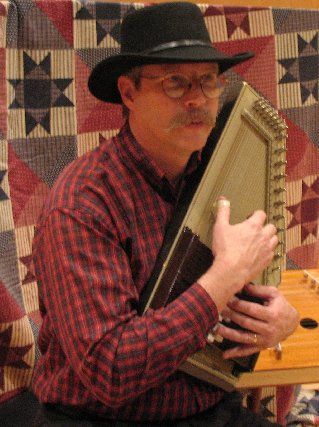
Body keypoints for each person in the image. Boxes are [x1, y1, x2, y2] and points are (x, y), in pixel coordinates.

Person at [31, 2, 298, 426]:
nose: (197, 99)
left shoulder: (218, 170)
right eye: (175, 82)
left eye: (208, 81)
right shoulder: (81, 203)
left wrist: (277, 321)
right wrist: (224, 277)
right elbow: (110, 369)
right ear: (129, 93)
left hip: (206, 408)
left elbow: (237, 299)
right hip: (98, 417)